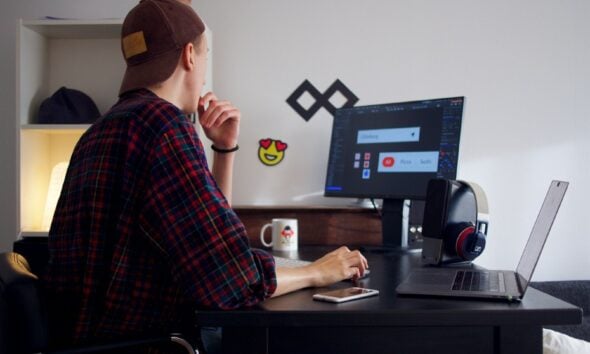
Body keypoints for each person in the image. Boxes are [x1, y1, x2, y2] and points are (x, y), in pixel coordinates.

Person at [42, 0, 368, 352]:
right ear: (190, 56)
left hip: (90, 341)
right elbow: (230, 280)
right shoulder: (163, 127)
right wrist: (318, 272)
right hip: (152, 343)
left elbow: (213, 241)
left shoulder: (101, 129)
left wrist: (224, 150)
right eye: (205, 54)